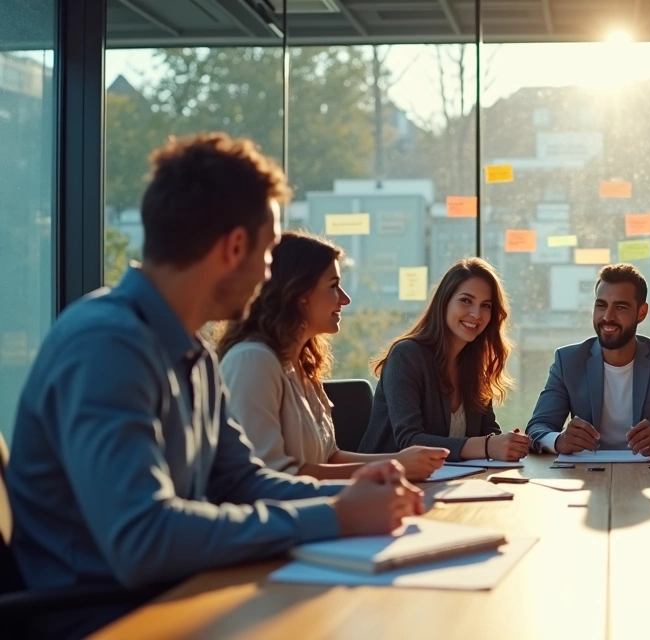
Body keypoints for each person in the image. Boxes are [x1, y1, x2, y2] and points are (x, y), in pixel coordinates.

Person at [5, 133, 424, 638]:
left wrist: (353, 496)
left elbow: (242, 482)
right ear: (234, 247)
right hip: (111, 619)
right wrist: (336, 517)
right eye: (269, 254)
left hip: (179, 596)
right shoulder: (105, 346)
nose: (269, 275)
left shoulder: (194, 352)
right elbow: (143, 539)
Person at [217, 231, 448, 482]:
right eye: (333, 286)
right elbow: (272, 475)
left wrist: (402, 460)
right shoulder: (252, 361)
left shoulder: (303, 365)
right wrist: (396, 466)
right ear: (298, 294)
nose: (345, 299)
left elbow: (330, 458)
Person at [526, 264, 650, 456]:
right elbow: (537, 427)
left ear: (641, 313)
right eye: (601, 305)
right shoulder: (568, 361)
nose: (607, 317)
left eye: (621, 307)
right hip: (585, 473)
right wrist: (559, 441)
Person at [358, 258, 530, 461]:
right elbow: (409, 441)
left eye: (486, 306)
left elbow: (487, 432)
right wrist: (487, 446)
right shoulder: (406, 356)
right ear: (444, 302)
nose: (476, 314)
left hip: (451, 482)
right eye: (466, 300)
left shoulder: (474, 364)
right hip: (386, 482)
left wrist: (512, 443)